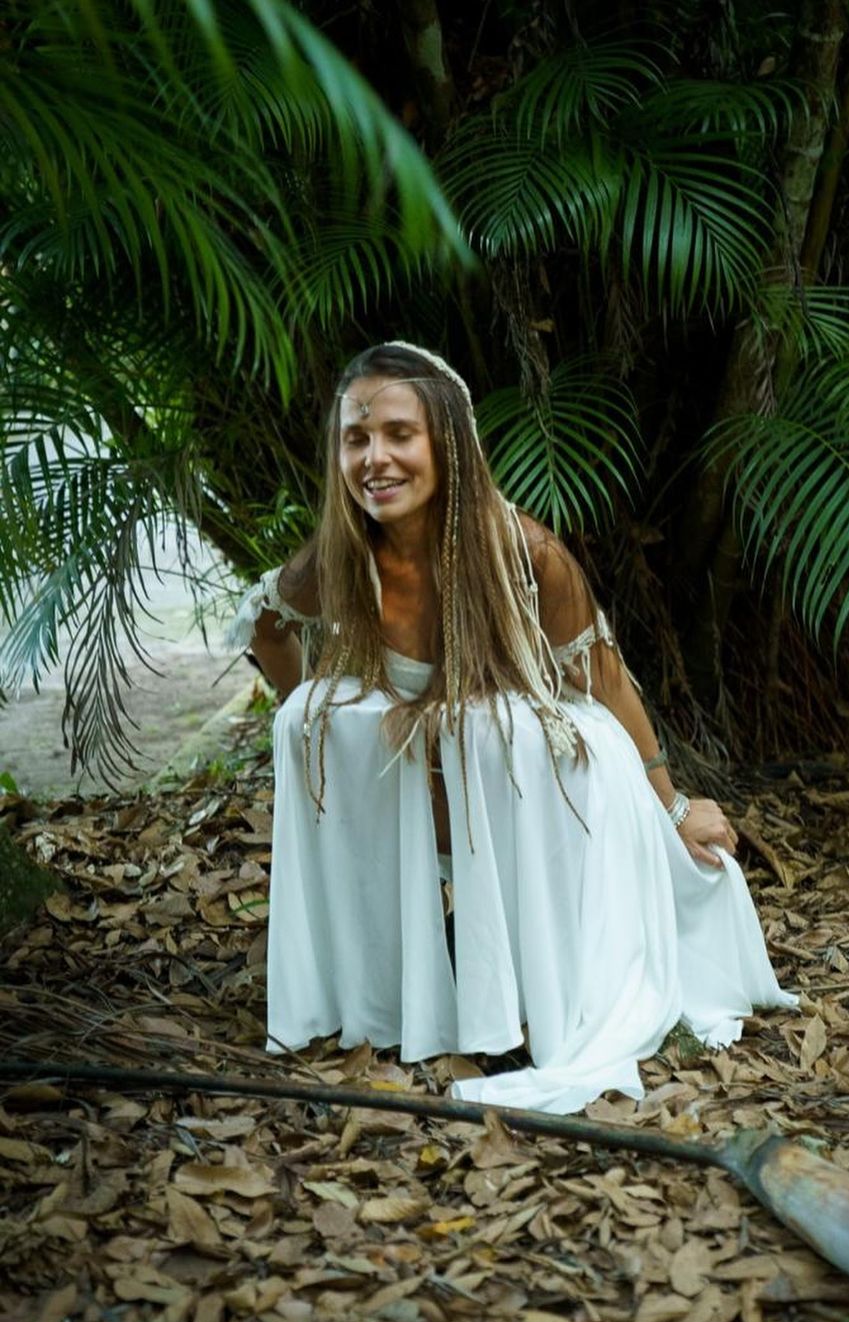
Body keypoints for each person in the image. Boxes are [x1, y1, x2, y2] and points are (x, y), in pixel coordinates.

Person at [229, 341, 797, 1114]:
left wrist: (673, 808)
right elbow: (268, 632)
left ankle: (529, 985)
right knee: (309, 719)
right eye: (356, 439)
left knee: (486, 728)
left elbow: (603, 679)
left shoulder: (523, 552)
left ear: (448, 442)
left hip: (543, 779)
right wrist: (335, 726)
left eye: (400, 434)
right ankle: (387, 982)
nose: (375, 459)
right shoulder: (335, 561)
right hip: (429, 782)